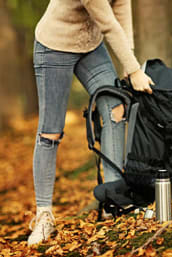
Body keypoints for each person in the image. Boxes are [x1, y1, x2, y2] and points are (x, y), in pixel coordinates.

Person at [28, 0, 154, 246]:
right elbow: (108, 25)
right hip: (55, 45)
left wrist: (129, 61)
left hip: (90, 46)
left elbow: (121, 8)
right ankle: (44, 215)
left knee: (116, 108)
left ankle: (113, 200)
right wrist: (134, 69)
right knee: (50, 133)